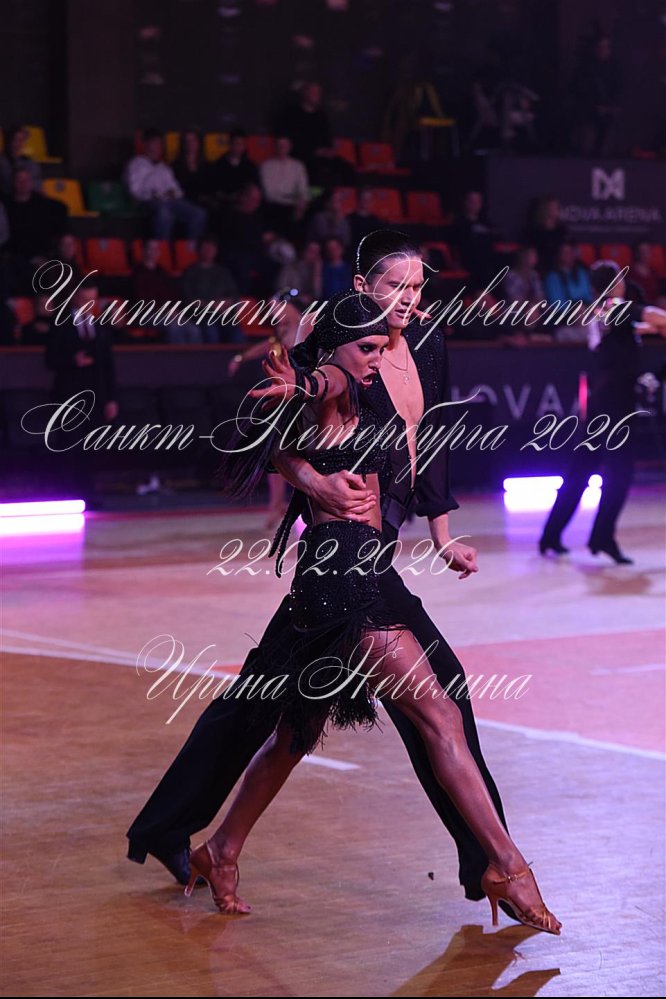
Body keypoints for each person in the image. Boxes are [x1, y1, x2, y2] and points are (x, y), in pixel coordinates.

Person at [125, 230, 527, 919]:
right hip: (340, 550)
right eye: (395, 285)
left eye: (417, 287)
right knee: (308, 707)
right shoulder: (338, 337)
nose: (408, 298)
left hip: (379, 540)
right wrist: (314, 481)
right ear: (364, 286)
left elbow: (429, 438)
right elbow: (282, 425)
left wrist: (441, 533)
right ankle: (494, 864)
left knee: (298, 714)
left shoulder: (429, 342)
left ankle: (207, 840)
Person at [539, 259, 666, 563]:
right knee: (619, 473)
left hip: (603, 403)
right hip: (615, 405)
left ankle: (551, 535)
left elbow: (644, 324)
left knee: (582, 470)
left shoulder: (603, 310)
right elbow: (652, 316)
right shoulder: (613, 306)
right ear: (613, 284)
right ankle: (601, 537)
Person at [44, 277, 118, 508]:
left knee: (90, 447)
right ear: (76, 298)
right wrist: (71, 360)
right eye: (86, 299)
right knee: (68, 446)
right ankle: (67, 494)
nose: (89, 304)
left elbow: (108, 366)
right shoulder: (60, 324)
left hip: (94, 397)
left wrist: (111, 399)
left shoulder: (100, 327)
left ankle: (88, 493)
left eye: (93, 300)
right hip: (68, 396)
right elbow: (49, 360)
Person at [124, 129, 207, 241]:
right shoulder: (136, 163)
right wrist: (153, 194)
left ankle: (191, 248)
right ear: (147, 144)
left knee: (198, 214)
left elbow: (177, 190)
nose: (158, 147)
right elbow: (135, 191)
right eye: (155, 143)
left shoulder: (164, 168)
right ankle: (163, 248)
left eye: (160, 144)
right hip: (147, 202)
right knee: (164, 212)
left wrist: (172, 193)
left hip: (169, 201)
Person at [258, 135, 309, 236]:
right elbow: (269, 194)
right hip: (272, 208)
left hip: (292, 209)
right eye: (279, 145)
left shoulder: (298, 166)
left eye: (285, 146)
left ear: (290, 147)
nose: (282, 148)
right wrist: (290, 197)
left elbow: (303, 191)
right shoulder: (266, 166)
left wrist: (301, 205)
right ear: (275, 147)